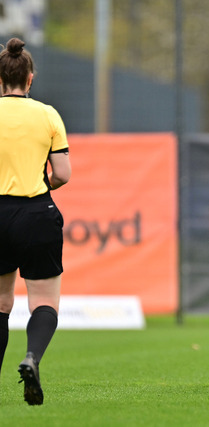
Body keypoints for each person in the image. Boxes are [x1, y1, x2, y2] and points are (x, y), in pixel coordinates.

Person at [0, 38, 71, 405]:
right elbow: (62, 173)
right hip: (37, 213)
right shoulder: (47, 114)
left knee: (1, 302)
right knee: (44, 301)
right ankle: (32, 358)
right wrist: (44, 184)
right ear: (30, 79)